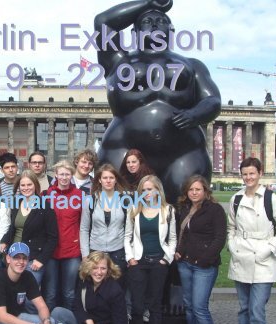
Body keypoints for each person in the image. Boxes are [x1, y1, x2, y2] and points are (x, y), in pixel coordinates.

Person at [94, 0, 221, 204]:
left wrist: (194, 114)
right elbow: (103, 22)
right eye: (147, 21)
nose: (154, 24)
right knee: (118, 210)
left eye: (161, 20)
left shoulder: (191, 65)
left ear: (171, 31)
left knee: (184, 208)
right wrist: (149, 2)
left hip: (182, 152)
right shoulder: (117, 61)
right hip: (123, 148)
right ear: (134, 32)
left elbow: (212, 100)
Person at [227, 157, 276, 324]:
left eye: (252, 173)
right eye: (245, 174)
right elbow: (231, 227)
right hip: (241, 257)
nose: (248, 177)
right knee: (244, 309)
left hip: (263, 260)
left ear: (260, 173)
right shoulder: (236, 199)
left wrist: (267, 249)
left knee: (256, 312)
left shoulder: (272, 199)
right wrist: (232, 245)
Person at [0, 242, 74, 324]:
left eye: (24, 258)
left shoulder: (27, 276)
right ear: (8, 259)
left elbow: (41, 306)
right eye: (16, 258)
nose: (21, 262)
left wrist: (46, 322)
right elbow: (2, 317)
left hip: (16, 316)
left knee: (49, 322)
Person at [173, 175, 227, 324]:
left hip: (204, 266)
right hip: (185, 264)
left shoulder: (215, 210)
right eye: (191, 189)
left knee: (200, 308)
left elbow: (219, 238)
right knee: (189, 307)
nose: (194, 192)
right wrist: (179, 251)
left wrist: (204, 259)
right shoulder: (186, 208)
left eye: (198, 189)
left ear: (205, 191)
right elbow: (184, 234)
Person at [125, 175, 176, 324]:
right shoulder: (134, 209)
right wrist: (130, 258)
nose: (147, 193)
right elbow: (127, 236)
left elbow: (172, 238)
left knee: (154, 304)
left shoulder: (168, 210)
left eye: (150, 189)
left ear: (158, 190)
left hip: (158, 263)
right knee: (137, 304)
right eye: (144, 190)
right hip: (138, 261)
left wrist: (166, 259)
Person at [55, 251, 128, 324]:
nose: (99, 272)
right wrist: (87, 320)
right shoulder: (84, 280)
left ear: (108, 270)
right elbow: (77, 306)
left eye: (103, 268)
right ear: (89, 268)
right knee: (58, 312)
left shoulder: (114, 290)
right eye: (95, 268)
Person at [0, 170, 58, 287]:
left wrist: (41, 259)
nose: (26, 188)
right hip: (14, 255)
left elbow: (53, 238)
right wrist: (4, 241)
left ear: (35, 185)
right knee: (12, 291)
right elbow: (13, 227)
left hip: (33, 259)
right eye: (23, 185)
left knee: (29, 296)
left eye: (29, 184)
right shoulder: (17, 203)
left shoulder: (45, 206)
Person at [79, 164, 128, 286]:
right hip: (95, 250)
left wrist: (128, 253)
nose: (108, 180)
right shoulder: (90, 200)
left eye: (111, 177)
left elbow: (129, 229)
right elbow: (84, 229)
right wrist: (85, 255)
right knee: (96, 286)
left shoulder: (125, 201)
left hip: (118, 251)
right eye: (105, 178)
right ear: (99, 180)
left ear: (116, 179)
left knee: (117, 288)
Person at [44, 160, 83, 310]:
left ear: (72, 175)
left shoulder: (79, 195)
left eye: (67, 174)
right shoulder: (48, 195)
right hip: (51, 251)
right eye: (61, 174)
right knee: (51, 292)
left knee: (69, 292)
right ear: (56, 175)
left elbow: (83, 223)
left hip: (71, 250)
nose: (64, 177)